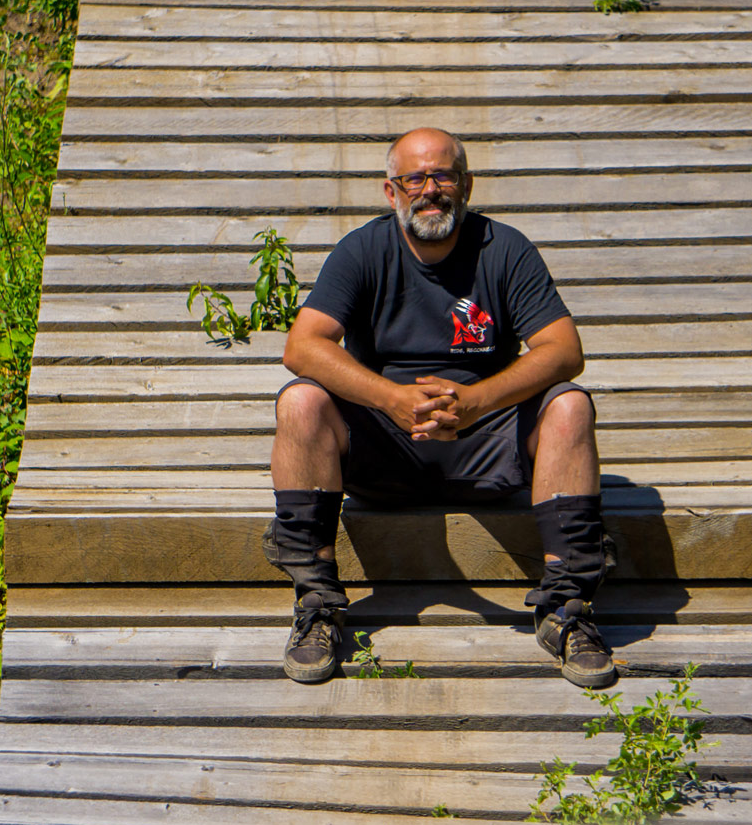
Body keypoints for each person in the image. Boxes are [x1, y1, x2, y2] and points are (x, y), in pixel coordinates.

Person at [263, 127, 616, 688]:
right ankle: (318, 603)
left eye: (443, 175)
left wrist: (478, 400)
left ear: (466, 184)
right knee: (301, 400)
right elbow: (302, 346)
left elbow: (564, 350)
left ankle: (566, 609)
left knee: (570, 405)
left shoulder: (505, 249)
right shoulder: (362, 249)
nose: (430, 189)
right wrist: (392, 399)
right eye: (415, 178)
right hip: (385, 446)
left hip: (485, 444)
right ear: (391, 191)